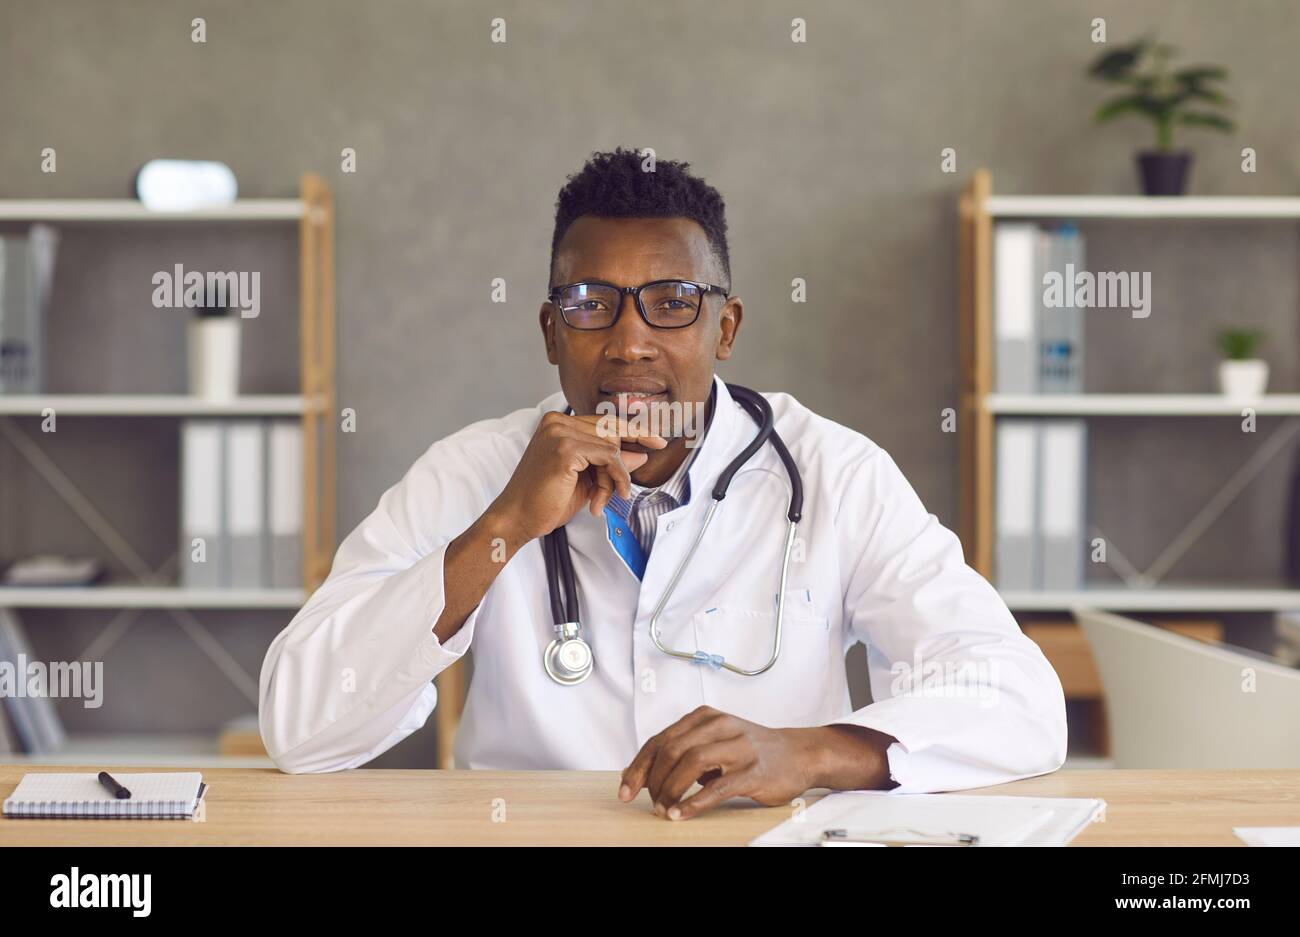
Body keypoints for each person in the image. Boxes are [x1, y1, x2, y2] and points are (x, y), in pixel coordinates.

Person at [259, 147, 1066, 821]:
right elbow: (299, 725)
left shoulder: (832, 472)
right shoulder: (472, 472)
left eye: (672, 304)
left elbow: (1019, 697)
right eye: (590, 305)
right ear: (551, 331)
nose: (630, 342)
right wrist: (502, 526)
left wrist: (812, 748)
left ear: (726, 327)